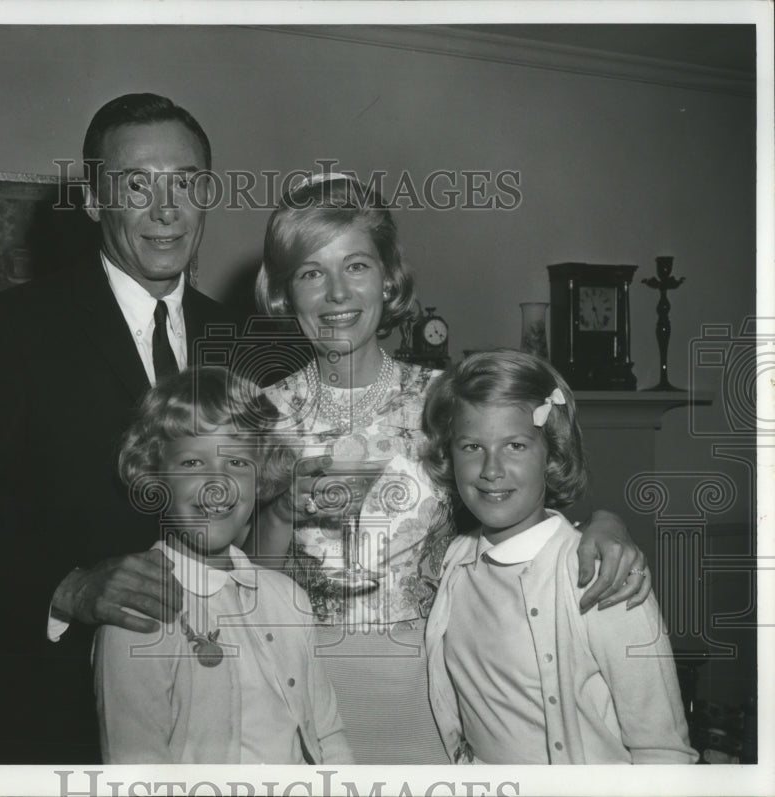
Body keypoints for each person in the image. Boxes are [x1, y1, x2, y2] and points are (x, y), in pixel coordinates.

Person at [249, 173, 652, 764]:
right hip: (298, 672)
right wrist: (283, 510)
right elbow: (242, 577)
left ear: (388, 280)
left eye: (356, 266)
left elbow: (521, 506)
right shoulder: (260, 415)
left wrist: (607, 523)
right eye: (311, 272)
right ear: (286, 292)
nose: (336, 294)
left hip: (438, 667)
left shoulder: (443, 400)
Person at [0, 93, 238, 762]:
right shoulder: (8, 332)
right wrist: (68, 586)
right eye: (137, 185)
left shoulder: (242, 339)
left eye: (186, 182)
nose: (166, 209)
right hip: (53, 721)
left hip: (220, 719)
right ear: (92, 201)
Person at [421, 350, 697, 764]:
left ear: (551, 454)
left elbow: (664, 752)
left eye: (515, 445)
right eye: (472, 446)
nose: (491, 469)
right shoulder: (455, 560)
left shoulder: (602, 576)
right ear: (450, 454)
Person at [93, 366, 352, 764]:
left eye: (236, 463)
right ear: (154, 476)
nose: (217, 483)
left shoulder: (288, 599)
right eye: (192, 464)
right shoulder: (139, 609)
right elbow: (135, 771)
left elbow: (327, 736)